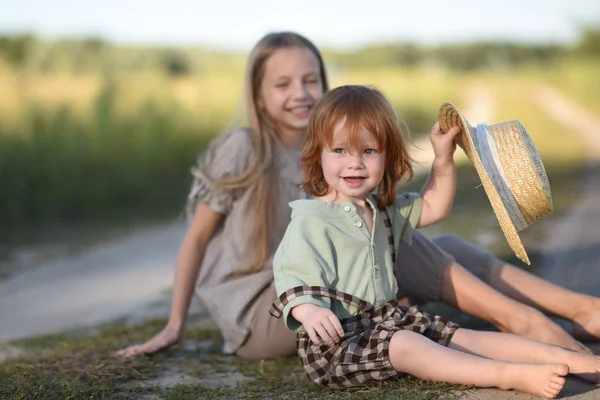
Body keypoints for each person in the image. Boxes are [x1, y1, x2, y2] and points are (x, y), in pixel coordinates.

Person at [115, 31, 600, 361]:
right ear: (259, 96)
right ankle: (527, 323)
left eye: (310, 80)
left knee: (427, 241)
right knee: (398, 238)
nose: (301, 93)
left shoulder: (328, 143)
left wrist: (442, 162)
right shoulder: (243, 148)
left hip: (331, 282)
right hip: (272, 308)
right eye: (282, 84)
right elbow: (197, 240)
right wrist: (174, 324)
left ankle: (581, 310)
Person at [270, 85, 600, 398]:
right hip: (341, 344)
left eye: (368, 151)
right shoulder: (310, 220)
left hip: (390, 320)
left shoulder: (379, 209)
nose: (354, 162)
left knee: (465, 338)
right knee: (407, 346)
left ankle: (582, 362)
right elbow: (291, 276)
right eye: (340, 150)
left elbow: (433, 205)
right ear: (318, 154)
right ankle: (510, 374)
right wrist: (309, 311)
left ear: (387, 156)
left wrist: (442, 159)